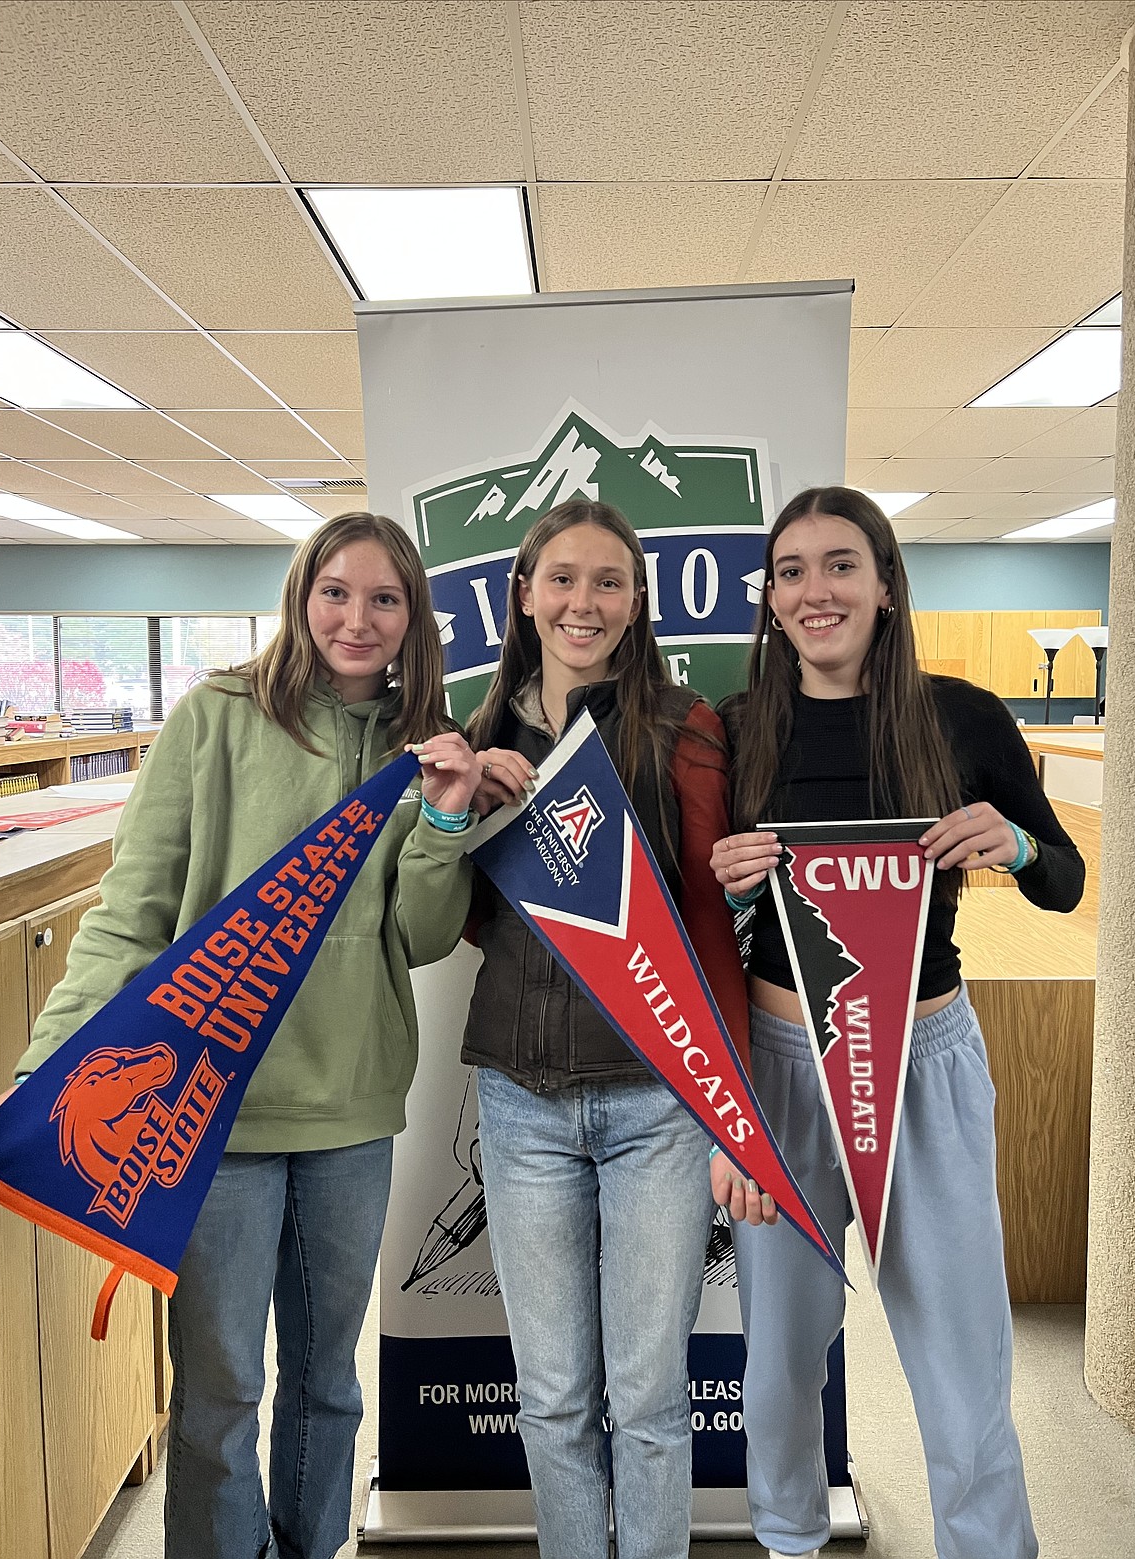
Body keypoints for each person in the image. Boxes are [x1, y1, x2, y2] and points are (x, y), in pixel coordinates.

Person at [8, 512, 482, 1559]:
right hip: (211, 1111)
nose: (356, 619)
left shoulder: (423, 745)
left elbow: (422, 934)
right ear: (300, 596)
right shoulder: (213, 716)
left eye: (385, 598)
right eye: (336, 592)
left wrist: (445, 821)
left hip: (352, 1111)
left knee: (327, 1386)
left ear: (413, 617)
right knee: (221, 1390)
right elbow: (131, 909)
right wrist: (49, 1065)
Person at [709, 486, 1084, 1559]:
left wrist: (1012, 843)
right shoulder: (736, 731)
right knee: (779, 1354)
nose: (814, 589)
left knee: (964, 1357)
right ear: (771, 598)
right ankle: (786, 1537)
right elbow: (694, 915)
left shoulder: (962, 715)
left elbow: (1063, 875)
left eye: (839, 564)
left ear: (884, 583)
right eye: (790, 570)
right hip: (785, 1068)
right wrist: (733, 884)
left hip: (925, 1059)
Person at [461, 498, 749, 1559]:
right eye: (563, 578)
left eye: (608, 581)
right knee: (551, 1396)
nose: (584, 600)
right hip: (520, 1101)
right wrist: (459, 810)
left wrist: (730, 1109)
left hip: (658, 1102)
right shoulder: (478, 736)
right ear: (526, 593)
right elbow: (463, 924)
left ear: (636, 602)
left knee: (648, 1397)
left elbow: (714, 928)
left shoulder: (685, 727)